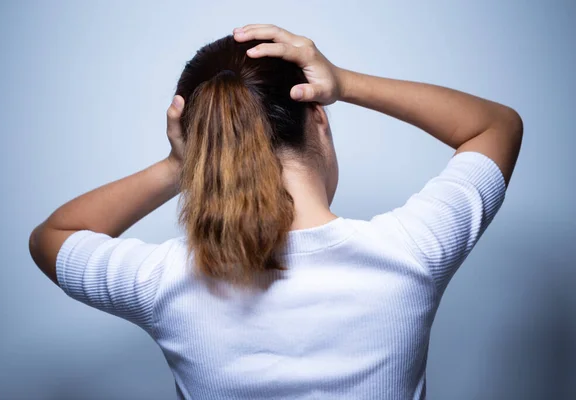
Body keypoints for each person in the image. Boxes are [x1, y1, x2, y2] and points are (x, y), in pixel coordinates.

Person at [29, 24, 523, 399]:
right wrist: (345, 81)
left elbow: (55, 234)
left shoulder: (165, 282)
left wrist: (181, 165)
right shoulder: (411, 251)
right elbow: (495, 126)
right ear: (319, 119)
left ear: (206, 148)